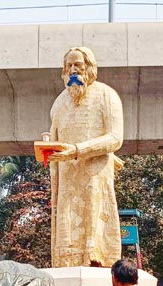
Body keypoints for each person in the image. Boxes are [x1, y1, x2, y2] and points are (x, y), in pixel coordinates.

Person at [45, 47, 124, 268]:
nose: (72, 70)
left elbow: (116, 138)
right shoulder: (59, 103)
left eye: (77, 65)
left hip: (95, 173)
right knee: (67, 229)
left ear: (89, 68)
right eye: (68, 66)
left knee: (96, 224)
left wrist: (78, 150)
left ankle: (98, 259)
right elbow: (54, 139)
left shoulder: (106, 95)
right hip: (67, 176)